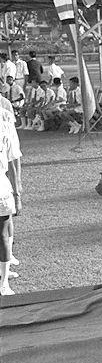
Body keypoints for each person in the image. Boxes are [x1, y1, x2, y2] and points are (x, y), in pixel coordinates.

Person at [0, 98, 21, 294]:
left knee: (3, 235)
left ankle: (3, 281)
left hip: (1, 189)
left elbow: (14, 160)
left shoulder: (5, 123)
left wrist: (17, 191)